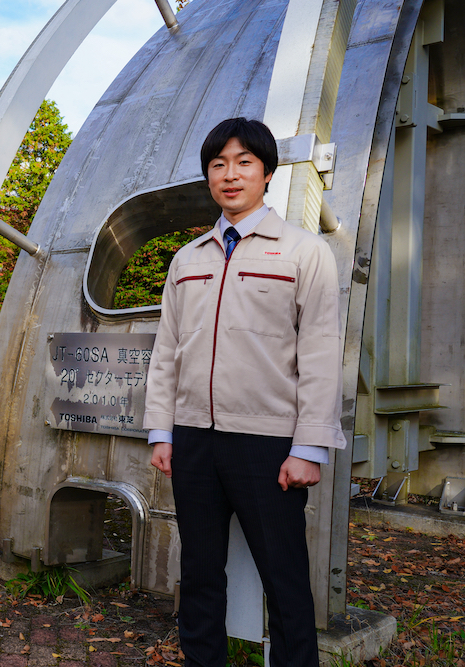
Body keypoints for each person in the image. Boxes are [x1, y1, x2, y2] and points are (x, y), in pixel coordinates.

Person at [144, 117, 345, 667]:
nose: (230, 175)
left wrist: (309, 447)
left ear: (267, 173)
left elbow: (323, 353)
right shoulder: (189, 259)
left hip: (269, 444)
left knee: (284, 579)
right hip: (193, 442)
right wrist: (162, 431)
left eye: (243, 163)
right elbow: (168, 351)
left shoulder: (303, 253)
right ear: (209, 177)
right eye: (218, 165)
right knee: (201, 574)